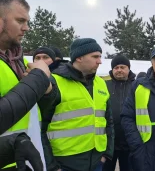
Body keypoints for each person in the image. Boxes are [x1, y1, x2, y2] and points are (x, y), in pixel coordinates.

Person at [38, 38, 114, 171]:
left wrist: (107, 153)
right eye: (95, 56)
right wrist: (52, 166)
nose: (100, 61)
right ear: (79, 58)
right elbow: (39, 128)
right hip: (65, 163)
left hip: (97, 161)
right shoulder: (54, 83)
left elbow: (108, 121)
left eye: (100, 57)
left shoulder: (101, 83)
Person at [0, 0, 52, 170]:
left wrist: (48, 90)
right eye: (20, 21)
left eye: (27, 22)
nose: (27, 28)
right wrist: (38, 79)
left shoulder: (18, 60)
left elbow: (39, 110)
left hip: (25, 158)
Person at [103, 54, 135, 171]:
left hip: (130, 143)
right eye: (116, 68)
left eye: (122, 67)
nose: (119, 70)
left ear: (128, 68)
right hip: (108, 143)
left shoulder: (136, 86)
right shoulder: (104, 86)